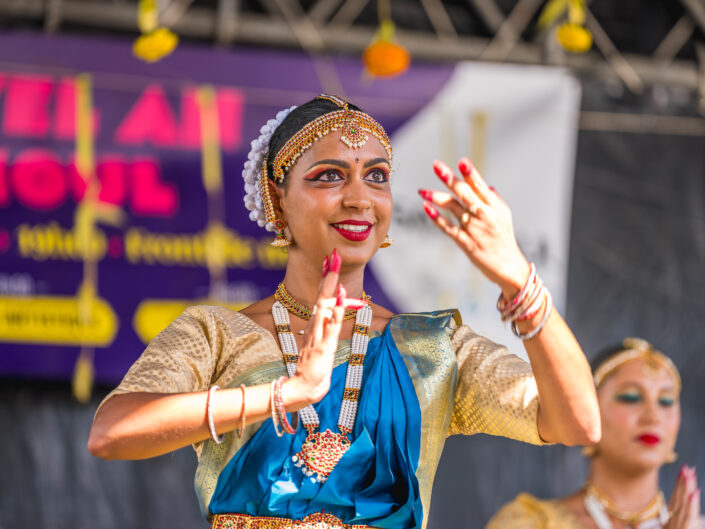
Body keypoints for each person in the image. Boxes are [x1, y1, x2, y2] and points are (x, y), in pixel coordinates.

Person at [88, 94, 600, 529]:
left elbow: (577, 424)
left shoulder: (431, 349)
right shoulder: (217, 333)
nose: (360, 198)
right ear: (277, 199)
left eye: (376, 176)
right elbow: (111, 433)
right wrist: (286, 394)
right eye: (330, 175)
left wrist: (521, 282)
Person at [486, 338, 701, 529]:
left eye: (666, 401)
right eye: (630, 397)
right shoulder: (532, 523)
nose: (653, 417)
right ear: (589, 411)